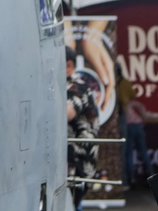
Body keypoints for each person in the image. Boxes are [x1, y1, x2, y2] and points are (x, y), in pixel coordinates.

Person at [66, 46, 99, 210]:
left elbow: (67, 113)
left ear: (68, 65)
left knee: (71, 204)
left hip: (77, 162)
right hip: (71, 163)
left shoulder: (77, 87)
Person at [124, 96, 152, 188]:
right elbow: (143, 111)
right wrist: (143, 120)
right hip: (138, 126)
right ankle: (150, 174)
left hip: (129, 127)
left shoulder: (125, 105)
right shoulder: (135, 104)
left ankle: (131, 178)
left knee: (129, 153)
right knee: (143, 151)